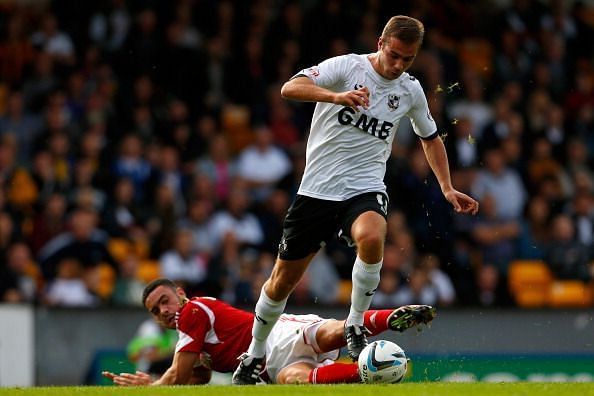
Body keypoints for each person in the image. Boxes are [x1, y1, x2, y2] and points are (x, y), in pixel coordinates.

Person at [232, 15, 478, 384]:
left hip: (363, 188)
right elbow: (289, 88)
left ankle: (354, 323)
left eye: (407, 59)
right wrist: (336, 96)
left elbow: (430, 137)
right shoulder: (347, 67)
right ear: (380, 42)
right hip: (316, 192)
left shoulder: (410, 90)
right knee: (281, 283)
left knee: (373, 236)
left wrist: (446, 186)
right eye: (394, 55)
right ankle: (254, 354)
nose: (397, 65)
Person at [102, 278, 436, 385]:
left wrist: (153, 386)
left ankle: (391, 317)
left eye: (164, 300)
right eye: (155, 310)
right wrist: (174, 378)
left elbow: (177, 373)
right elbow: (198, 379)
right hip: (269, 365)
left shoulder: (192, 310)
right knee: (297, 379)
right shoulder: (192, 334)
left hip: (274, 335)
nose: (163, 311)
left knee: (332, 333)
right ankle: (369, 374)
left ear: (179, 291)